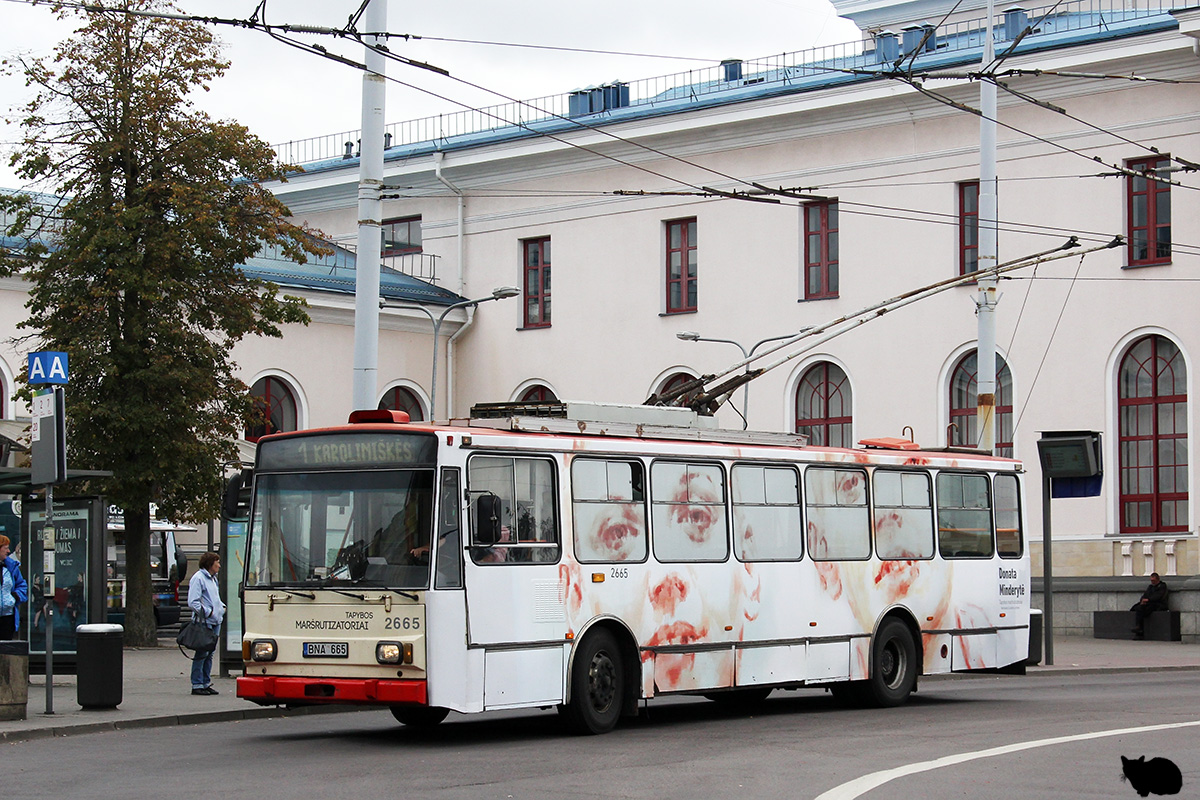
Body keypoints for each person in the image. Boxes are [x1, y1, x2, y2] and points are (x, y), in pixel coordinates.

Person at [186, 552, 226, 695]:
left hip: (215, 620)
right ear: (210, 564)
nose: (219, 565)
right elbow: (193, 602)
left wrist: (221, 608)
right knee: (202, 653)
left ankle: (205, 682)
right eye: (217, 562)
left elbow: (214, 598)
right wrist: (209, 612)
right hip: (205, 622)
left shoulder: (212, 579)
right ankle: (197, 684)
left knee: (209, 653)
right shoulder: (198, 578)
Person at [0, 535, 28, 640]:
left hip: (8, 617)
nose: (8, 551)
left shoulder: (11, 567)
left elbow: (22, 585)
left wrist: (15, 596)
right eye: (5, 548)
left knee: (6, 650)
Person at [1131, 572, 1169, 638]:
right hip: (1149, 603)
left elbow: (1158, 596)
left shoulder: (1162, 586)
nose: (1152, 582)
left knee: (1143, 609)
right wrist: (1142, 600)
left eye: (1153, 580)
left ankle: (1139, 629)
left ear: (1158, 579)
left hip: (1158, 604)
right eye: (1151, 580)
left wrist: (1148, 600)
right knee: (1136, 607)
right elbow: (1145, 595)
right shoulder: (1150, 587)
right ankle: (1138, 628)